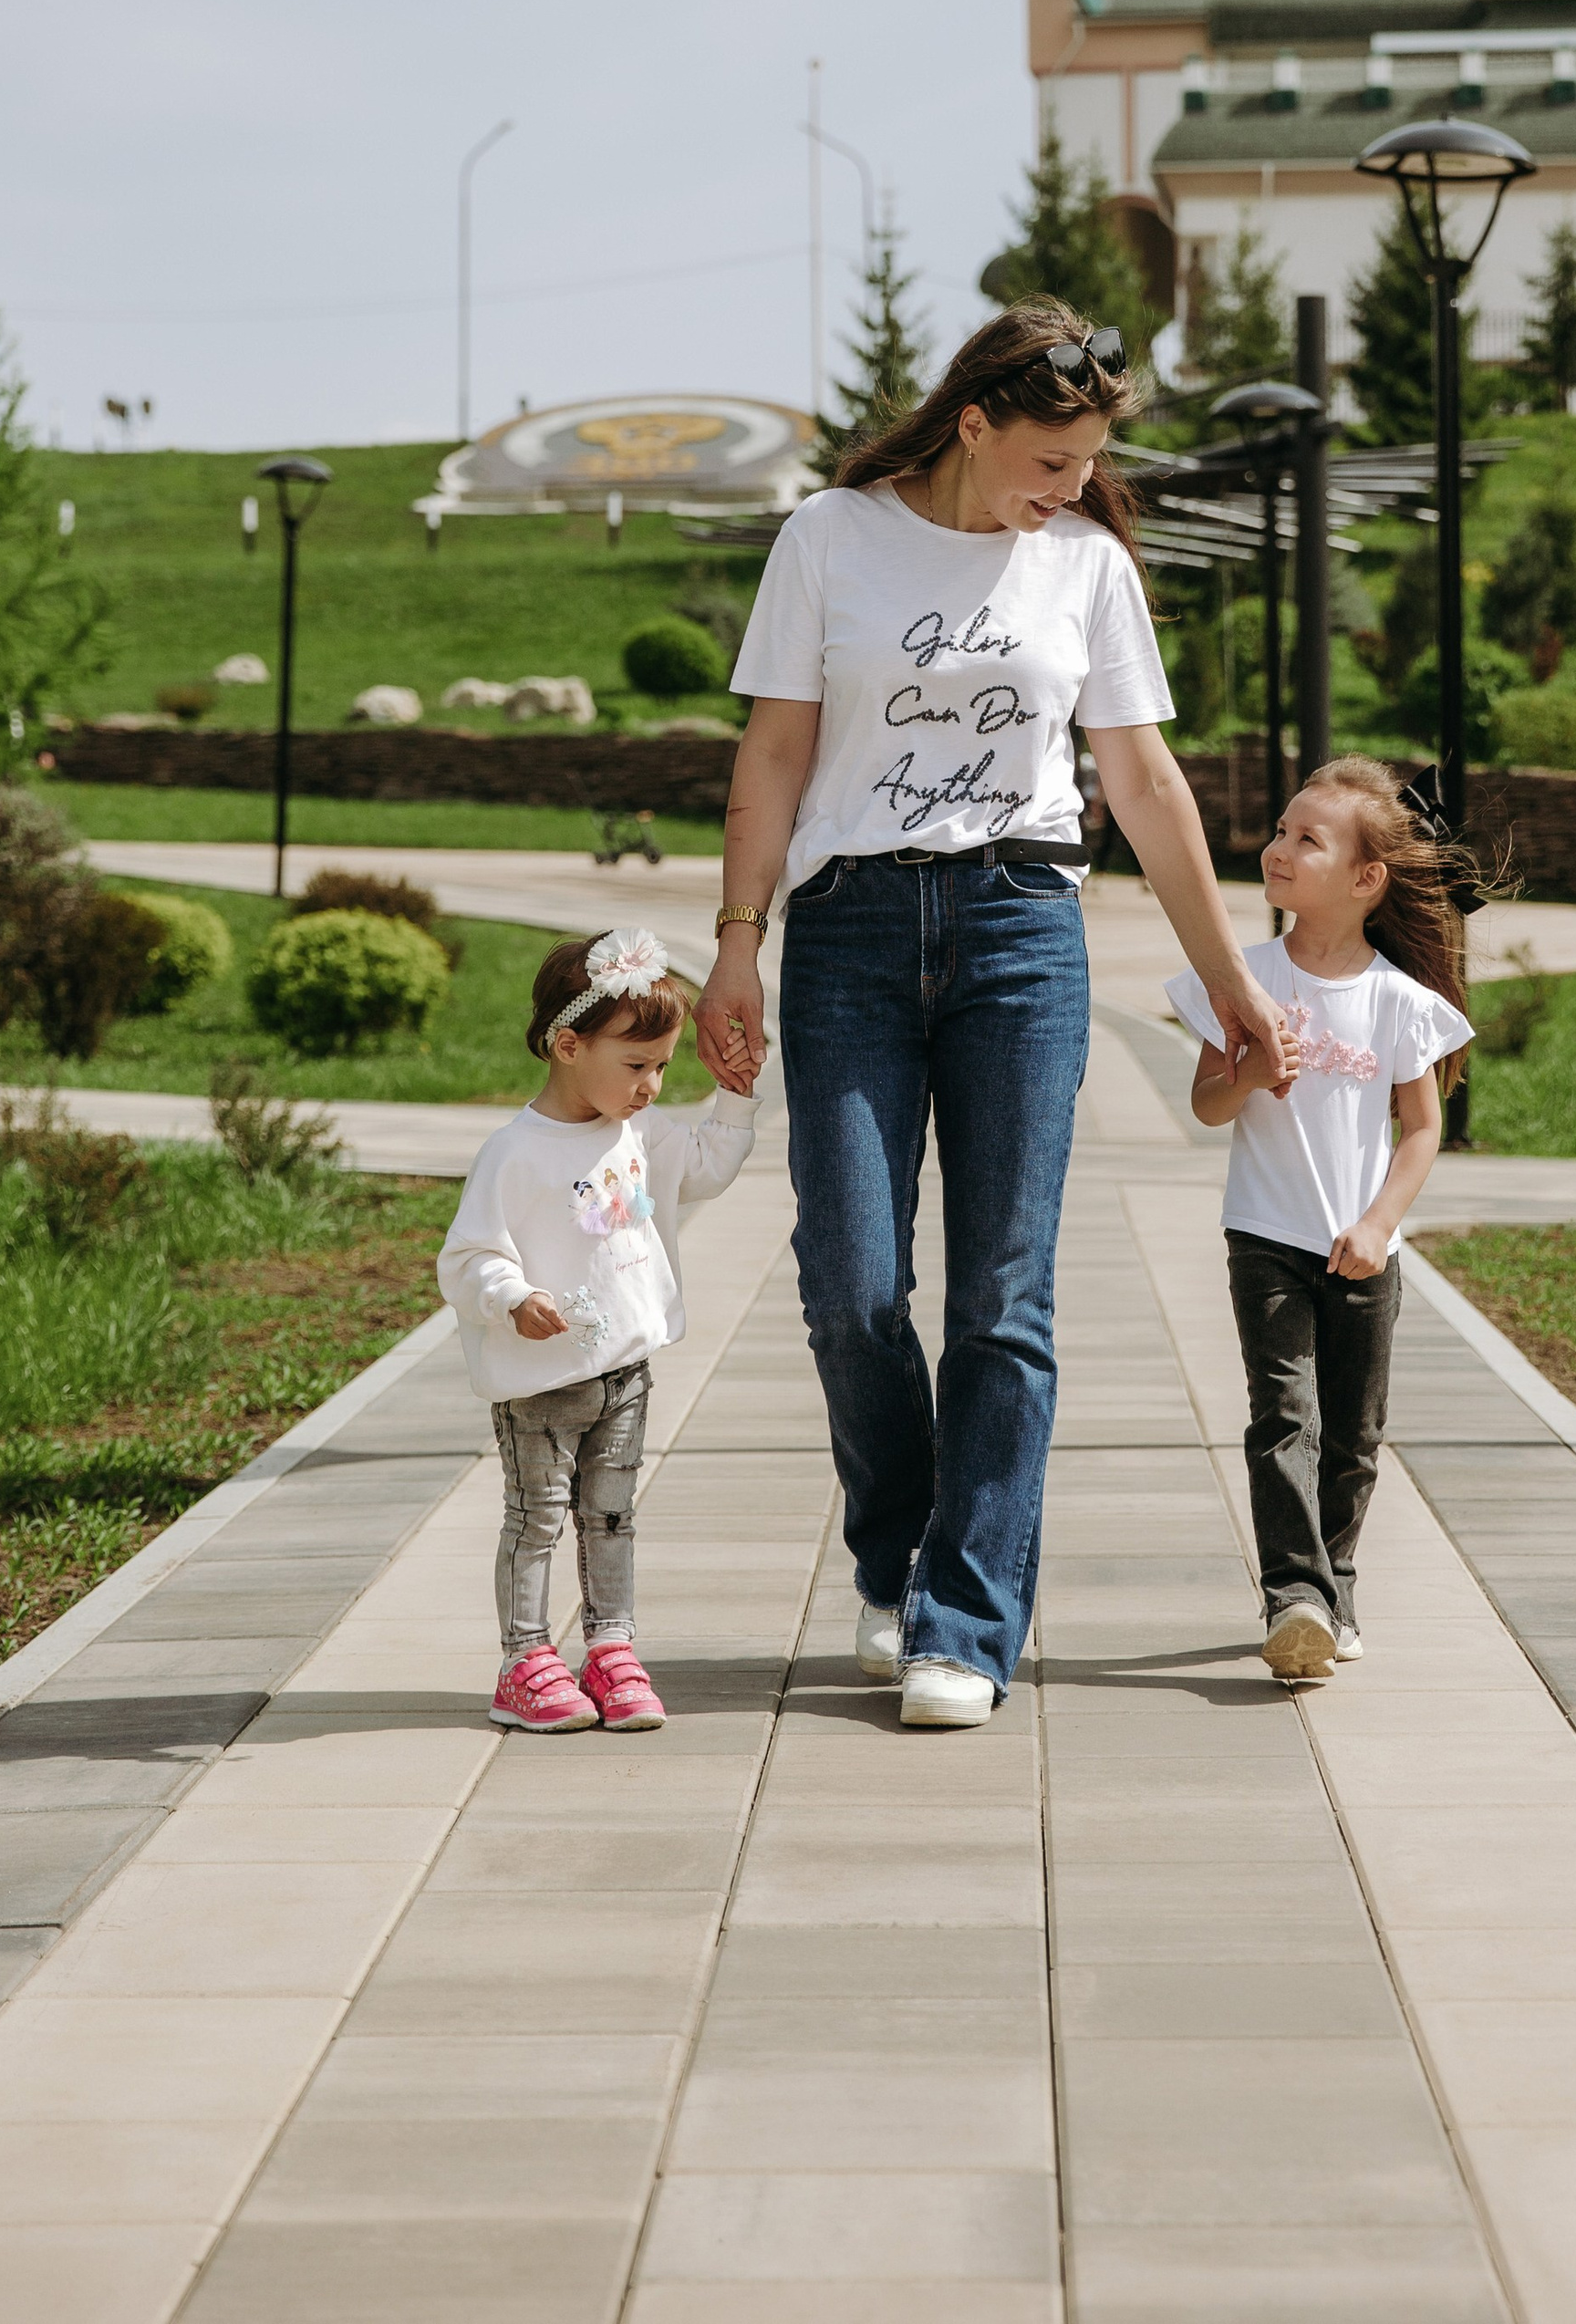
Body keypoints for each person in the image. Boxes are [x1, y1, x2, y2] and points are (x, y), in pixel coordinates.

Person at [693, 299, 1288, 1729]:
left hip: (1024, 927)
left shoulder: (1083, 568)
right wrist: (734, 943)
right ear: (974, 421)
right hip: (846, 937)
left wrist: (1230, 978)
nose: (1073, 486)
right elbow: (775, 753)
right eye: (1051, 457)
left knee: (1004, 1298)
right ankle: (893, 1556)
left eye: (1088, 462)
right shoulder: (830, 536)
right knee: (850, 1284)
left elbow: (1144, 784)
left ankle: (964, 1617)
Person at [1168, 757, 1475, 1683]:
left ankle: (1334, 1585)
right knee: (1283, 1417)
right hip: (1264, 1235)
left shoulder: (1396, 1002)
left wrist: (1380, 1222)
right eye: (1279, 829)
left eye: (1308, 837)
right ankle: (1292, 1598)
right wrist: (1251, 1072)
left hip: (1362, 1249)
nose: (1279, 846)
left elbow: (1420, 1132)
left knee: (1352, 1436)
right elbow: (1207, 1106)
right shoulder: (1243, 979)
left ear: (1364, 878)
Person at [439, 928, 753, 1732]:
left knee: (612, 1514)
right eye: (636, 1064)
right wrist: (509, 1294)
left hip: (624, 1373)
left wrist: (737, 1093)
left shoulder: (642, 1136)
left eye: (661, 1067)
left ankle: (611, 1644)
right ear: (568, 1044)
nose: (651, 1085)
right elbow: (468, 1254)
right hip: (541, 1382)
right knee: (537, 1516)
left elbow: (709, 1168)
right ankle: (525, 1658)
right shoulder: (513, 1152)